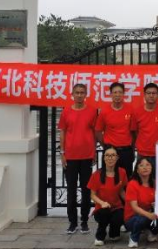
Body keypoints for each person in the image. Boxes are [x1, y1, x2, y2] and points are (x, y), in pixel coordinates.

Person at [58, 83, 98, 234]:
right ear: (72, 94)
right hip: (70, 156)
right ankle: (72, 222)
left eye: (82, 92)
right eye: (77, 92)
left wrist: (94, 151)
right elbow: (62, 132)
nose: (79, 95)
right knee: (71, 190)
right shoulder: (66, 111)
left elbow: (95, 132)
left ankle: (84, 222)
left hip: (87, 156)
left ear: (86, 94)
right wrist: (62, 153)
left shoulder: (92, 111)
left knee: (86, 190)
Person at [88, 146, 128, 246]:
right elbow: (92, 195)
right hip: (101, 208)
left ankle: (114, 232)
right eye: (107, 155)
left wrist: (131, 202)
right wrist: (102, 203)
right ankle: (100, 235)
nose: (110, 158)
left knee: (119, 218)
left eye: (113, 155)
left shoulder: (122, 172)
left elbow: (121, 191)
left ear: (117, 158)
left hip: (116, 206)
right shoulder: (96, 174)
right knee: (104, 213)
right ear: (104, 158)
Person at [96, 82, 135, 178]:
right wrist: (105, 145)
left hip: (126, 151)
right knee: (109, 179)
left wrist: (132, 147)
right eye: (115, 92)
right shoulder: (105, 111)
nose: (117, 95)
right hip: (110, 151)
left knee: (126, 178)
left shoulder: (130, 109)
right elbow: (98, 131)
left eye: (120, 92)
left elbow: (133, 131)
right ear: (111, 94)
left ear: (123, 94)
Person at [131, 82, 158, 171]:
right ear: (144, 95)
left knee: (157, 177)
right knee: (142, 177)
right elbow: (135, 132)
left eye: (154, 93)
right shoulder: (137, 112)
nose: (151, 95)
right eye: (148, 93)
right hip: (142, 153)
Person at [124, 157, 158, 248]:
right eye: (141, 165)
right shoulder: (132, 184)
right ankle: (133, 238)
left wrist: (155, 204)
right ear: (137, 170)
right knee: (141, 219)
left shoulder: (155, 183)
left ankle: (151, 231)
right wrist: (149, 215)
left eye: (148, 165)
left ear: (152, 168)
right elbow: (134, 207)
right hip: (132, 218)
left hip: (148, 214)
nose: (145, 167)